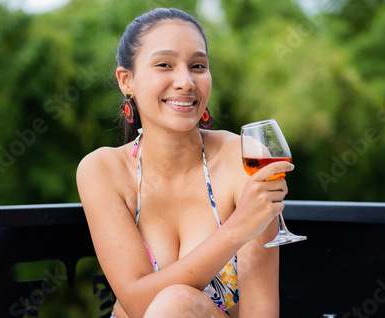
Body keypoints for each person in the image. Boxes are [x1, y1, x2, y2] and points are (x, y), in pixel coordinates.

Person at [76, 8, 294, 318]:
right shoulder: (103, 171)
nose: (186, 81)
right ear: (127, 81)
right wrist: (237, 229)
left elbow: (261, 313)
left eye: (198, 66)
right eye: (164, 64)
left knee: (178, 304)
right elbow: (138, 305)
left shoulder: (242, 158)